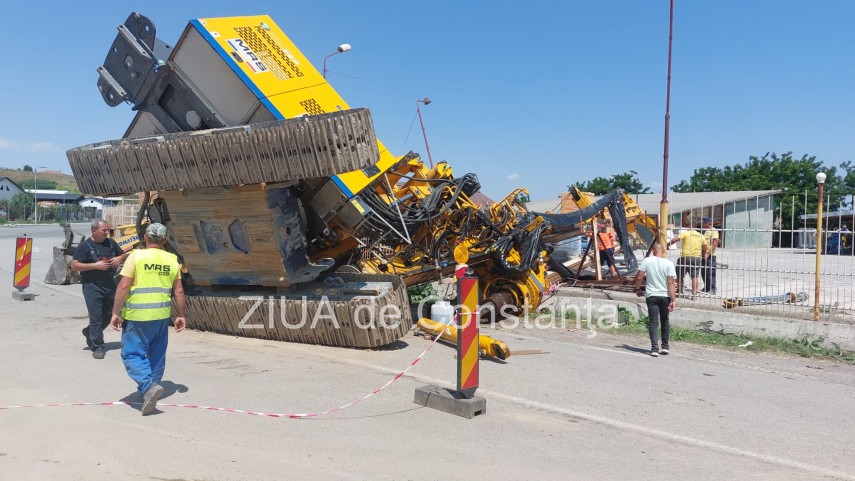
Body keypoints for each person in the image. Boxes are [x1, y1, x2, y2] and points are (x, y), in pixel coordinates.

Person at [110, 223, 186, 416]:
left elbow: (123, 286)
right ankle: (151, 389)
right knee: (157, 354)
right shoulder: (172, 259)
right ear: (165, 240)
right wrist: (180, 315)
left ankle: (147, 386)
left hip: (137, 316)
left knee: (132, 354)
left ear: (145, 237)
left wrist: (116, 312)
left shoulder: (136, 256)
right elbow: (178, 290)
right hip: (160, 316)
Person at [71, 219, 129, 359]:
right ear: (94, 230)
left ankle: (89, 331)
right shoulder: (85, 246)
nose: (107, 233)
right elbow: (74, 265)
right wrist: (95, 265)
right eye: (104, 230)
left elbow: (124, 254)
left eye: (108, 230)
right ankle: (97, 346)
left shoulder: (111, 243)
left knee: (109, 315)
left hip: (109, 284)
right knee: (96, 316)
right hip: (92, 286)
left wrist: (119, 258)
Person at [634, 244, 677, 357]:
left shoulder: (647, 261)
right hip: (665, 296)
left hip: (651, 296)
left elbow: (639, 277)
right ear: (663, 252)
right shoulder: (669, 264)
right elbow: (671, 282)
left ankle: (654, 349)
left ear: (653, 251)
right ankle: (665, 347)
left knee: (653, 322)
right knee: (665, 320)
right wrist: (673, 299)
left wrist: (638, 289)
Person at [668, 221, 708, 299]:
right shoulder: (701, 236)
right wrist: (703, 255)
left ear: (689, 226)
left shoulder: (686, 233)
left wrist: (667, 245)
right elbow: (705, 248)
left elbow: (674, 240)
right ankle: (694, 295)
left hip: (685, 257)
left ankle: (679, 292)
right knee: (695, 276)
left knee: (680, 275)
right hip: (696, 258)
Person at [700, 217, 720, 294]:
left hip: (711, 255)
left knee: (711, 272)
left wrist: (708, 253)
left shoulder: (714, 231)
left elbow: (715, 243)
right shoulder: (706, 231)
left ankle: (713, 288)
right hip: (704, 254)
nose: (702, 224)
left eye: (703, 222)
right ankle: (707, 287)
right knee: (704, 271)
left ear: (707, 223)